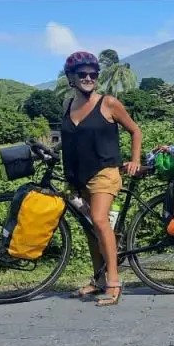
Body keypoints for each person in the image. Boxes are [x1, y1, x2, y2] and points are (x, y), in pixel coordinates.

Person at [60, 51, 142, 306]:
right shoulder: (67, 104)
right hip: (77, 176)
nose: (88, 78)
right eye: (82, 74)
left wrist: (135, 160)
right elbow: (71, 139)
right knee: (90, 229)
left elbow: (135, 130)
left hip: (104, 172)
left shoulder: (108, 103)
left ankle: (114, 282)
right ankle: (98, 280)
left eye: (92, 74)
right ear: (71, 78)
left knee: (98, 219)